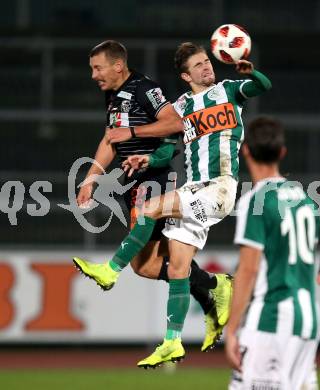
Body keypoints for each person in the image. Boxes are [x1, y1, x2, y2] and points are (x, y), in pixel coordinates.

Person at [75, 41, 271, 368]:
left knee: (151, 210)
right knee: (178, 269)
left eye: (207, 62)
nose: (207, 68)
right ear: (185, 74)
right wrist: (147, 156)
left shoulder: (230, 90)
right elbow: (168, 149)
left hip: (219, 187)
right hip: (195, 188)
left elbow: (262, 86)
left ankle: (110, 272)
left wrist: (251, 69)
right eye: (199, 65)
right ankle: (172, 341)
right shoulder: (181, 107)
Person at [225, 116, 320, 390]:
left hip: (272, 316)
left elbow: (249, 269)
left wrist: (231, 331)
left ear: (245, 151)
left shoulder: (255, 201)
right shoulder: (304, 199)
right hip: (308, 318)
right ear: (282, 153)